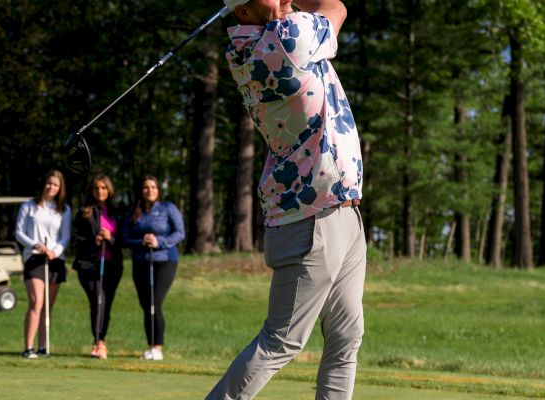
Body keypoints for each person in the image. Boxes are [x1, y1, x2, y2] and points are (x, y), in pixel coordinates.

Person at [206, 0, 366, 399]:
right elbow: (336, 7)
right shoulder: (286, 38)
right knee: (282, 340)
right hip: (311, 220)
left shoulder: (248, 48)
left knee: (346, 337)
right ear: (242, 12)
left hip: (340, 211)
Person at [122, 175, 185, 361]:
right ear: (141, 191)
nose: (150, 190)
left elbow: (180, 233)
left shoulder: (168, 208)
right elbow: (124, 237)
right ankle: (150, 346)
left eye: (153, 187)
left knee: (154, 302)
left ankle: (157, 347)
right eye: (146, 187)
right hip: (141, 260)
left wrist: (159, 242)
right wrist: (140, 241)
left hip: (165, 261)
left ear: (158, 190)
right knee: (145, 305)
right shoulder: (135, 211)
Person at [15, 169, 72, 359]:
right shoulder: (29, 206)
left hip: (55, 260)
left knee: (47, 306)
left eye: (55, 185)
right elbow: (19, 232)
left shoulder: (64, 209)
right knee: (36, 301)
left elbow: (65, 238)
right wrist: (35, 245)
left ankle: (42, 346)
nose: (51, 187)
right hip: (34, 257)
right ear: (44, 184)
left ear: (60, 188)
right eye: (49, 183)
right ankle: (28, 347)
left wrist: (55, 252)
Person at [72, 174, 123, 360]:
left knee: (105, 304)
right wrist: (94, 241)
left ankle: (101, 341)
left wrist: (111, 239)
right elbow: (75, 239)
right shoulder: (84, 212)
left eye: (103, 188)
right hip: (89, 266)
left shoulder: (116, 212)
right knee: (97, 301)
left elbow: (124, 240)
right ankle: (98, 342)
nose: (100, 191)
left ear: (109, 190)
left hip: (112, 266)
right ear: (91, 191)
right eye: (96, 188)